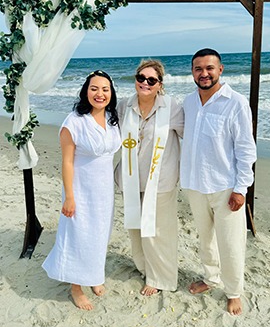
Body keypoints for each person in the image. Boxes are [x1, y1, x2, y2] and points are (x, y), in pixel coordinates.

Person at [180, 48, 256, 315]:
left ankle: (234, 291)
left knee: (231, 243)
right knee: (205, 239)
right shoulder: (188, 102)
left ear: (220, 70)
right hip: (194, 184)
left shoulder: (235, 102)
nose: (204, 73)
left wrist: (241, 189)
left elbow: (246, 148)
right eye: (198, 69)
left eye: (209, 68)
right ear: (192, 72)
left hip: (225, 187)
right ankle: (211, 278)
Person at [42, 70, 121, 310]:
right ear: (86, 91)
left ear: (111, 93)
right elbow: (66, 162)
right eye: (94, 88)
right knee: (79, 236)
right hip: (81, 190)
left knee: (99, 236)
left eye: (105, 89)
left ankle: (94, 276)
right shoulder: (74, 122)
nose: (100, 94)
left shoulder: (111, 118)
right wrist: (69, 197)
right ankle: (76, 287)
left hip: (104, 191)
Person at [115, 59, 184, 296]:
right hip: (132, 177)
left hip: (161, 179)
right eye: (141, 78)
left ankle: (159, 277)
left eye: (151, 80)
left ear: (160, 84)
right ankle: (144, 268)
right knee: (135, 228)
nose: (145, 83)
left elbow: (190, 135)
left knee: (157, 231)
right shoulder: (125, 106)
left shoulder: (171, 107)